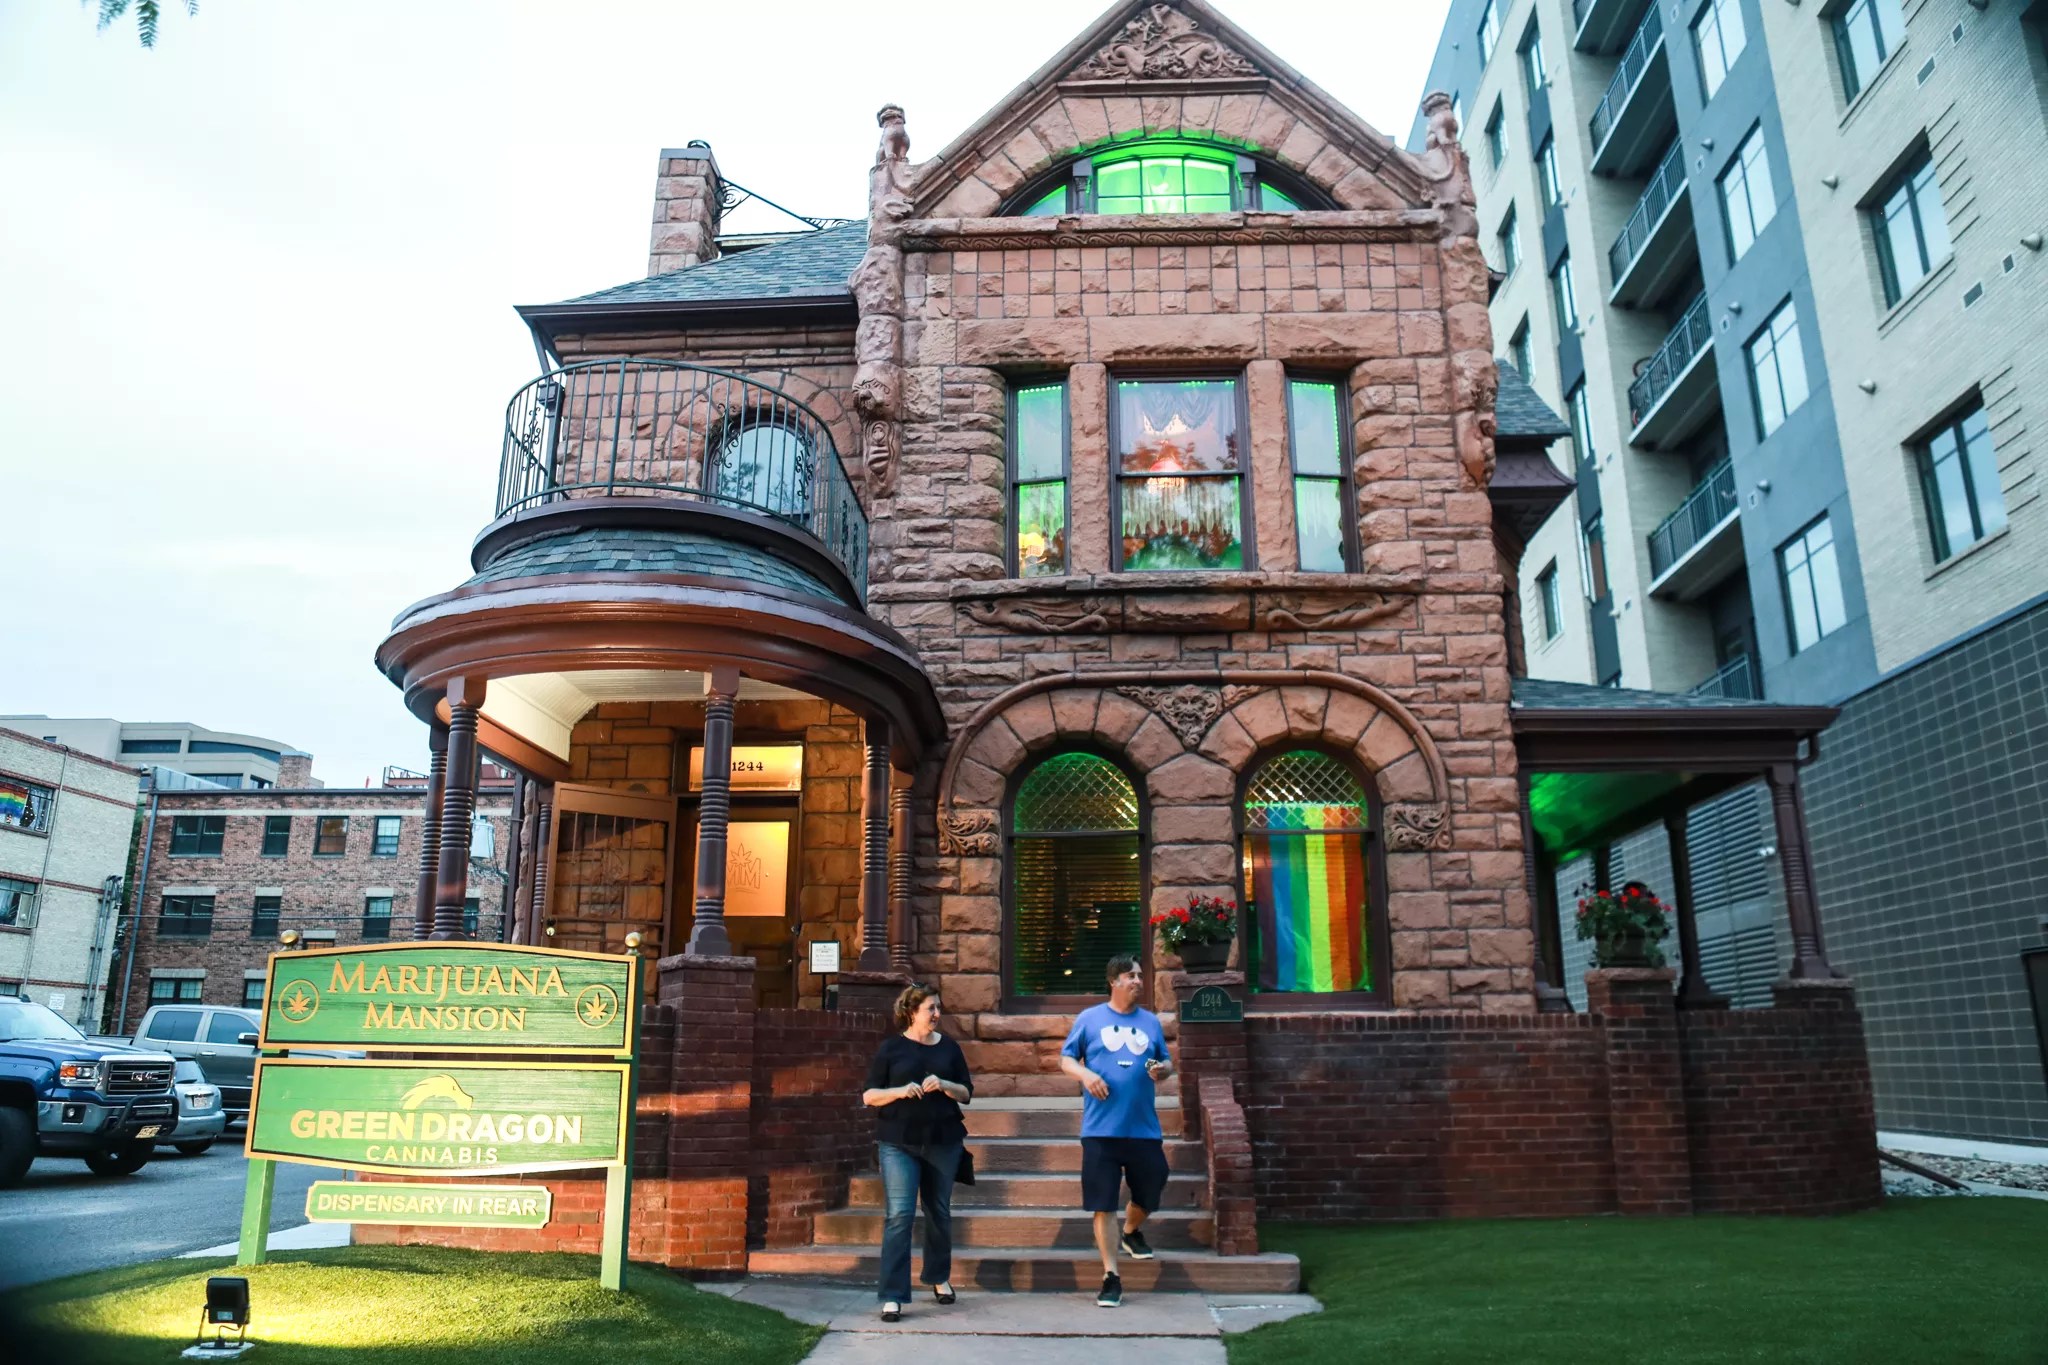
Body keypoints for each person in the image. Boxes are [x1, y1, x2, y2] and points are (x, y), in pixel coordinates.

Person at [1059, 953, 1173, 1309]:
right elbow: (1065, 1059)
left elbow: (1166, 1060)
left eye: (1139, 975)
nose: (1138, 980)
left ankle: (1131, 1231)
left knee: (1152, 1186)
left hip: (1143, 1128)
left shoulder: (1151, 1022)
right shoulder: (1090, 1019)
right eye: (1131, 975)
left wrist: (1163, 1071)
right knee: (1103, 1203)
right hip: (1100, 1130)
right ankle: (1111, 1276)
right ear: (1114, 981)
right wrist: (1086, 1074)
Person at [860, 982, 973, 1322]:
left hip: (943, 1140)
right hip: (898, 1143)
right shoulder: (891, 1049)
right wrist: (898, 1091)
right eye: (930, 1009)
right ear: (911, 1012)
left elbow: (967, 1093)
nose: (937, 1014)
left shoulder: (950, 1049)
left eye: (939, 1007)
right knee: (900, 1215)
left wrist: (945, 1084)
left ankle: (938, 1277)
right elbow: (869, 1096)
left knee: (938, 1211)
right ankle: (893, 1295)